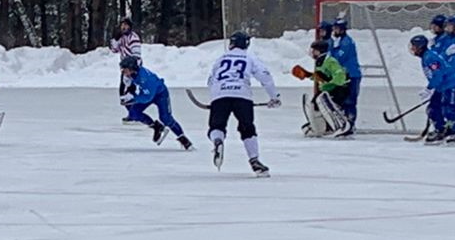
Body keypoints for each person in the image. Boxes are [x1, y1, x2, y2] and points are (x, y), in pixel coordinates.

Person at [206, 31, 279, 176]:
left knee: (216, 126)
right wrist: (274, 96)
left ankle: (218, 140)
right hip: (242, 95)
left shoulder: (221, 58)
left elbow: (211, 80)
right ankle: (254, 161)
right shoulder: (249, 57)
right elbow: (265, 76)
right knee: (247, 128)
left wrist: (215, 98)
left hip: (220, 94)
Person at [119, 56, 191, 148]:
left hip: (160, 94)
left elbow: (147, 97)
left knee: (165, 118)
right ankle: (156, 127)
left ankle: (183, 138)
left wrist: (133, 98)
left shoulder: (145, 78)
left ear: (132, 68)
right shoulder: (132, 74)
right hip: (147, 93)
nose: (123, 72)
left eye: (125, 70)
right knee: (133, 113)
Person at [409, 33, 455, 144]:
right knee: (433, 109)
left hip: (451, 85)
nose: (412, 49)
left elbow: (438, 74)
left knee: (449, 109)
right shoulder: (426, 57)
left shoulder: (430, 57)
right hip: (442, 86)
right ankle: (440, 129)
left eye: (414, 47)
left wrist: (429, 88)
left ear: (420, 47)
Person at [294, 40, 351, 137]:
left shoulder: (330, 61)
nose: (312, 52)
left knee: (324, 102)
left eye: (314, 50)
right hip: (327, 90)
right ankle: (319, 128)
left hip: (338, 90)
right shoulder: (319, 62)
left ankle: (340, 125)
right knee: (314, 104)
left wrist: (330, 82)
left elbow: (340, 76)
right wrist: (308, 75)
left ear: (320, 51)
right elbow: (322, 77)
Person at [328, 16, 363, 131]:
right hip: (345, 75)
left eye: (337, 29)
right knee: (343, 100)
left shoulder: (347, 42)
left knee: (350, 101)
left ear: (342, 29)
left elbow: (339, 58)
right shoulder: (342, 41)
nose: (334, 31)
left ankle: (350, 123)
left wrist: (330, 50)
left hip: (352, 75)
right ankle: (345, 122)